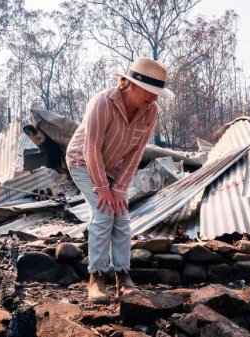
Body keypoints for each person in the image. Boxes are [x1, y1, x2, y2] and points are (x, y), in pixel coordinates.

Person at [66, 57, 174, 303]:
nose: (154, 98)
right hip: (83, 161)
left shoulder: (152, 112)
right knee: (104, 214)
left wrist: (119, 188)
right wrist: (103, 188)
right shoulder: (103, 102)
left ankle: (123, 276)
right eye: (150, 92)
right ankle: (97, 277)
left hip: (114, 167)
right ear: (131, 85)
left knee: (122, 217)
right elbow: (90, 148)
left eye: (158, 93)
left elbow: (136, 153)